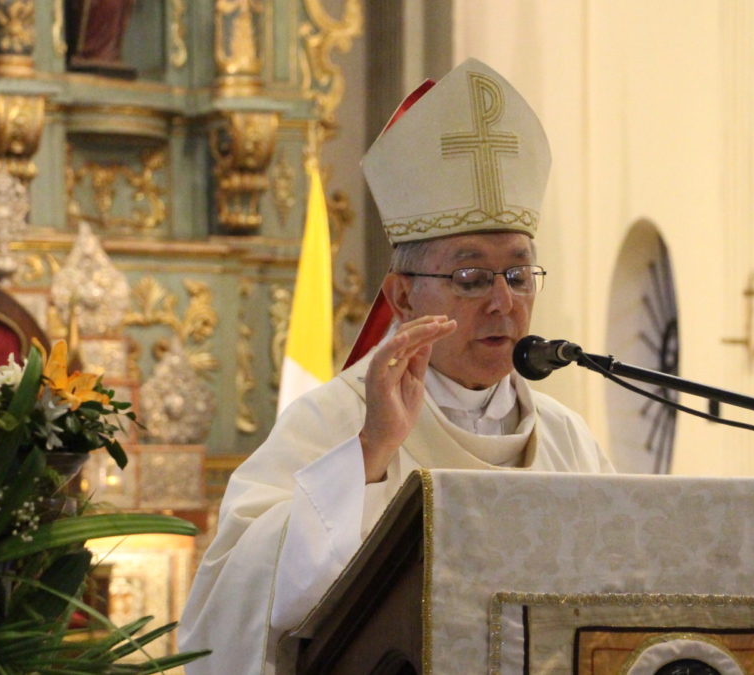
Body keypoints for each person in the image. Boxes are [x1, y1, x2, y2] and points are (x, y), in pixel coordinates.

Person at [177, 58, 613, 674]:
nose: (503, 301)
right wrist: (369, 453)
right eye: (469, 277)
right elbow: (232, 601)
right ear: (403, 296)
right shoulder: (334, 420)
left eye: (518, 274)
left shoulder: (569, 440)